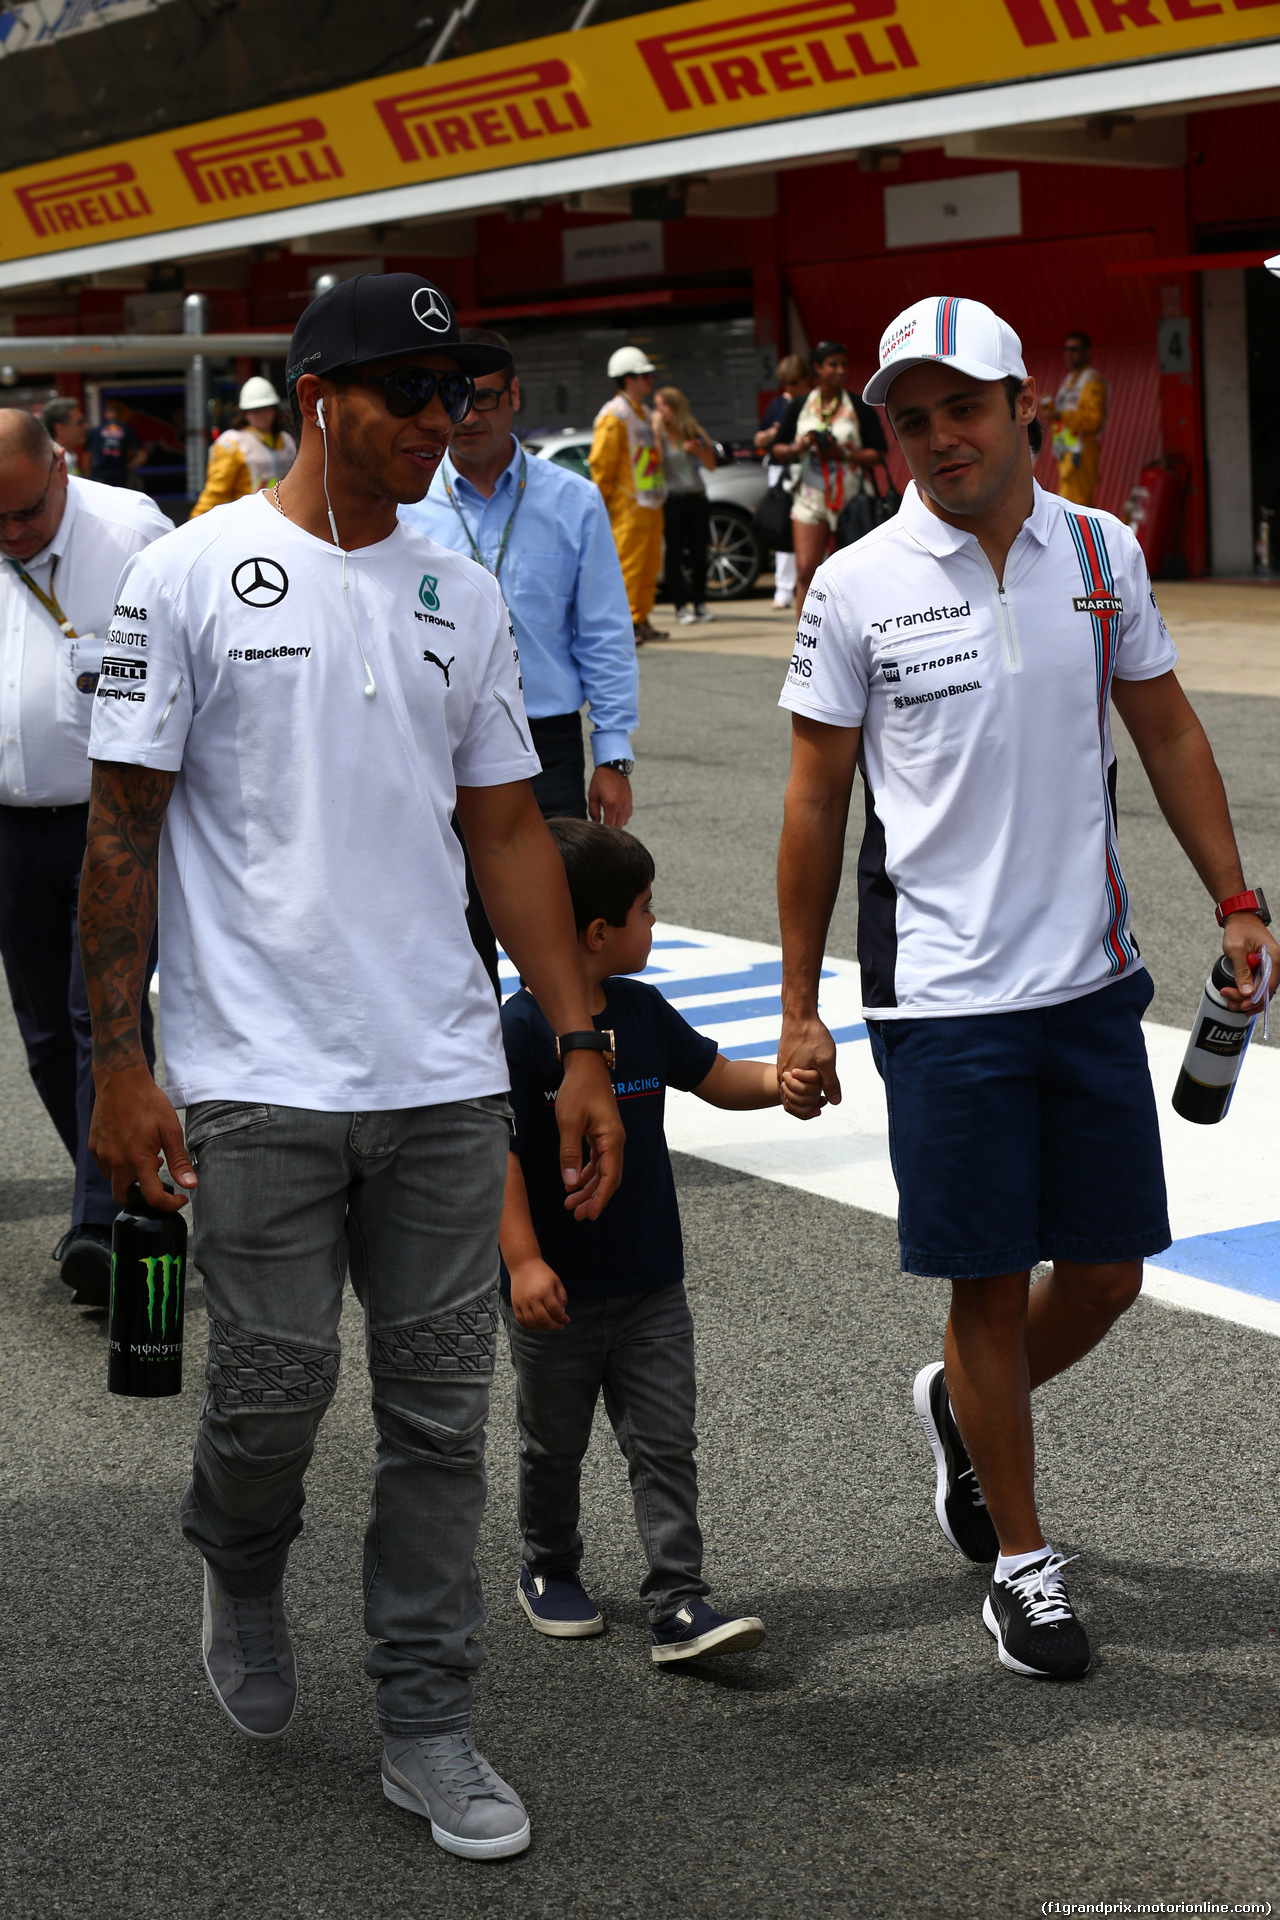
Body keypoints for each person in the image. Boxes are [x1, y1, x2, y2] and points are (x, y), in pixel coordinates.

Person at [80, 273, 625, 1861]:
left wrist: (577, 1040)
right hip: (256, 1073)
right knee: (269, 1397)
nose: (440, 421)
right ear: (322, 399)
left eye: (453, 392)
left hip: (445, 1077)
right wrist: (123, 1064)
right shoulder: (189, 577)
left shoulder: (457, 589)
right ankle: (240, 1560)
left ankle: (429, 1718)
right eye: (408, 395)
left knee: (443, 1419)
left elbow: (510, 830)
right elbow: (120, 833)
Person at [775, 293, 1279, 1683]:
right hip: (940, 997)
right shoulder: (856, 584)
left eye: (962, 409)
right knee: (989, 1280)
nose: (937, 438)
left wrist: (1237, 901)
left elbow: (1166, 731)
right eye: (910, 418)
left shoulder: (1103, 556)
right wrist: (800, 1003)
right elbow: (815, 804)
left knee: (1109, 1274)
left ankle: (955, 1407)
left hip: (1089, 979)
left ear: (1023, 413)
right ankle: (1023, 1563)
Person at [499, 818, 821, 1655]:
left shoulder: (642, 1010)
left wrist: (779, 1084)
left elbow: (713, 1075)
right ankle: (549, 1563)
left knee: (665, 1444)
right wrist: (524, 1260)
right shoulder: (524, 1029)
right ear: (599, 932)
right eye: (647, 910)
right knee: (553, 1444)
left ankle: (679, 1597)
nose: (654, 924)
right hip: (556, 1295)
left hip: (650, 1286)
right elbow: (490, 1153)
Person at [400, 327, 638, 994]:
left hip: (544, 742)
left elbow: (603, 631)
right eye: (453, 399)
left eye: (484, 399)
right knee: (453, 923)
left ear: (515, 398)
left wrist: (613, 754)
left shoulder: (572, 499)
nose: (467, 416)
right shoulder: (407, 501)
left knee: (553, 923)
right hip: (433, 738)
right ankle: (478, 1085)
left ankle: (565, 1067)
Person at [0, 409, 168, 1303]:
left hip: (116, 820)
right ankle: (115, 1183)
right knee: (36, 1030)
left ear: (60, 467)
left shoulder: (134, 532)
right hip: (10, 826)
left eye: (27, 514)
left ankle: (100, 1225)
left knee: (94, 1017)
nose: (14, 536)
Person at [771, 341, 884, 609]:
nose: (840, 370)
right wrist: (796, 447)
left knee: (855, 575)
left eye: (843, 364)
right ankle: (806, 644)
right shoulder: (799, 405)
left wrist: (841, 454)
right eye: (833, 364)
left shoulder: (858, 406)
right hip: (810, 496)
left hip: (852, 497)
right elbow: (776, 449)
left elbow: (879, 453)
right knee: (805, 570)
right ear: (817, 368)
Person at [589, 346, 667, 645]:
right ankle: (627, 624)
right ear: (629, 378)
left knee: (648, 566)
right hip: (627, 506)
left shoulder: (642, 413)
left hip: (648, 503)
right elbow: (601, 464)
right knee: (628, 566)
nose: (650, 381)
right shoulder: (615, 415)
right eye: (646, 375)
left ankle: (641, 618)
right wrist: (602, 502)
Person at [652, 385, 716, 627]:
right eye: (656, 407)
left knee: (700, 552)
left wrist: (699, 450)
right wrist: (655, 430)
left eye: (662, 406)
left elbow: (711, 465)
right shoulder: (658, 432)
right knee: (674, 553)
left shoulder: (692, 430)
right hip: (673, 499)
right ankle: (680, 606)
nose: (659, 411)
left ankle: (700, 603)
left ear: (675, 407)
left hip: (696, 496)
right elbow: (655, 461)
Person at [189, 376, 297, 517]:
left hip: (284, 518)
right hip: (247, 521)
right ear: (245, 413)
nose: (261, 414)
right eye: (255, 410)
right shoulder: (232, 444)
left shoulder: (287, 441)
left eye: (266, 408)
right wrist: (195, 525)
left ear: (274, 410)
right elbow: (214, 493)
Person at [755, 354, 810, 609]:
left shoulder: (812, 401)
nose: (789, 388)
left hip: (809, 469)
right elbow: (760, 439)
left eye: (794, 381)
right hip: (782, 470)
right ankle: (784, 588)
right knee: (782, 527)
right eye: (785, 382)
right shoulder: (778, 404)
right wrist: (772, 434)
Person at [1042, 331, 1108, 507]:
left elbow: (1093, 420)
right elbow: (1063, 416)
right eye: (1066, 349)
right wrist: (1051, 411)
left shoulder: (1091, 380)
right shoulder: (1070, 380)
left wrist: (1060, 415)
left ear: (1087, 352)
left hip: (1082, 453)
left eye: (1075, 349)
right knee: (1067, 505)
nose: (1069, 354)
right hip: (1067, 452)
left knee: (1077, 508)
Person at [85, 400, 146, 487]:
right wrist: (129, 466)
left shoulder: (95, 430)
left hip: (100, 475)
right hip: (120, 475)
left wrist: (90, 476)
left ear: (105, 414)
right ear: (119, 414)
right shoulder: (127, 430)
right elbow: (142, 455)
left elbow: (87, 457)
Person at [42, 396, 87, 477]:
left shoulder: (69, 457)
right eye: (80, 423)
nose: (85, 426)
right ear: (59, 428)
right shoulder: (53, 463)